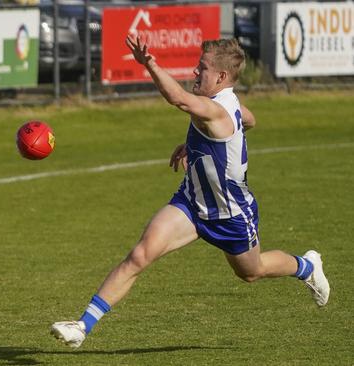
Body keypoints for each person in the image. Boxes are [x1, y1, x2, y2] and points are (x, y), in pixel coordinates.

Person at [50, 32, 330, 348]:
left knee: (252, 272)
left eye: (202, 69)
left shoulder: (217, 111)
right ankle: (81, 327)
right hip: (192, 202)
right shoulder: (224, 105)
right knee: (140, 254)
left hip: (230, 214)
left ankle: (307, 266)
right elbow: (248, 120)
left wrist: (149, 63)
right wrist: (196, 146)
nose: (195, 73)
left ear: (222, 76)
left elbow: (179, 99)